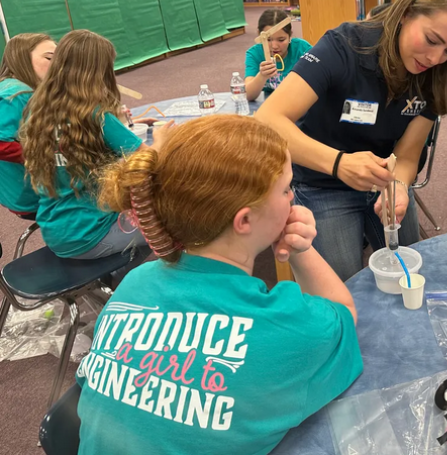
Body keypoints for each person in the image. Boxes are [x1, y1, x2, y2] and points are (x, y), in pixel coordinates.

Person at [75, 115, 362, 455]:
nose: (293, 196)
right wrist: (301, 249)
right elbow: (344, 313)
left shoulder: (135, 282)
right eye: (286, 188)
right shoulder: (280, 323)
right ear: (245, 219)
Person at [256, 0, 447, 280]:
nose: (435, 59)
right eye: (431, 39)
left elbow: (408, 155)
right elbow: (266, 120)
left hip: (385, 182)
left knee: (411, 277)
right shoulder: (343, 46)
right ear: (406, 12)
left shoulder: (437, 72)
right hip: (324, 183)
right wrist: (339, 164)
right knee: (342, 290)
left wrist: (400, 185)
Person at [20, 29, 170, 259]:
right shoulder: (96, 115)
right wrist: (162, 139)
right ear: (99, 71)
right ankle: (129, 276)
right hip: (94, 234)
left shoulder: (37, 111)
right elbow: (149, 159)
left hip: (57, 232)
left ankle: (119, 271)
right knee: (177, 218)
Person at [0, 33, 55, 217]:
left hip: (18, 192)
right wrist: (48, 156)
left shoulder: (11, 86)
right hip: (34, 195)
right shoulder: (17, 94)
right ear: (23, 59)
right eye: (50, 58)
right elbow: (1, 144)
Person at [244, 10, 312, 101]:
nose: (274, 46)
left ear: (290, 36)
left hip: (298, 100)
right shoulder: (254, 54)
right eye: (268, 40)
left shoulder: (302, 49)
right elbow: (248, 95)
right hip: (269, 102)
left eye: (281, 40)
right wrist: (262, 76)